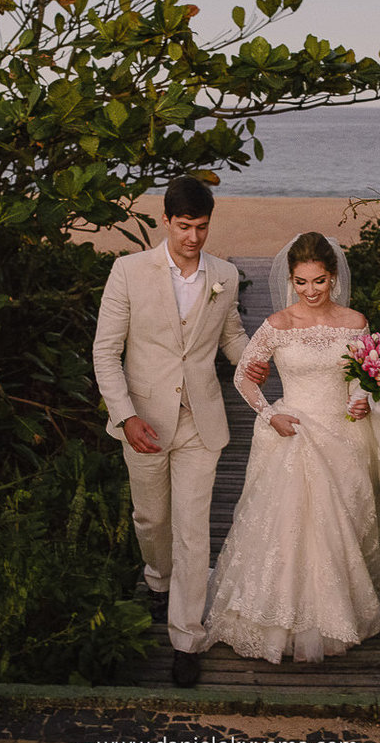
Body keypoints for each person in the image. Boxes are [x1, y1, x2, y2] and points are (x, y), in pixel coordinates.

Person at [202, 232, 380, 663]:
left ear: (333, 277)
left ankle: (341, 603)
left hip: (344, 434)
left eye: (318, 282)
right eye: (301, 282)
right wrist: (270, 415)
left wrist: (363, 399)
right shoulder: (278, 325)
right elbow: (243, 377)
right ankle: (273, 615)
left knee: (344, 520)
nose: (310, 291)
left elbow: (365, 376)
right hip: (294, 431)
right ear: (291, 279)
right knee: (286, 523)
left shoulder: (355, 322)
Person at [91, 176, 267, 687]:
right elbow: (106, 352)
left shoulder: (226, 275)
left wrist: (263, 360)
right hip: (143, 421)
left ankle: (186, 638)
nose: (193, 237)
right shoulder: (127, 272)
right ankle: (156, 579)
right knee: (151, 518)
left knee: (193, 530)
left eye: (203, 227)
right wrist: (125, 416)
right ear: (166, 220)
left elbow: (231, 335)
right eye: (185, 226)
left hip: (201, 420)